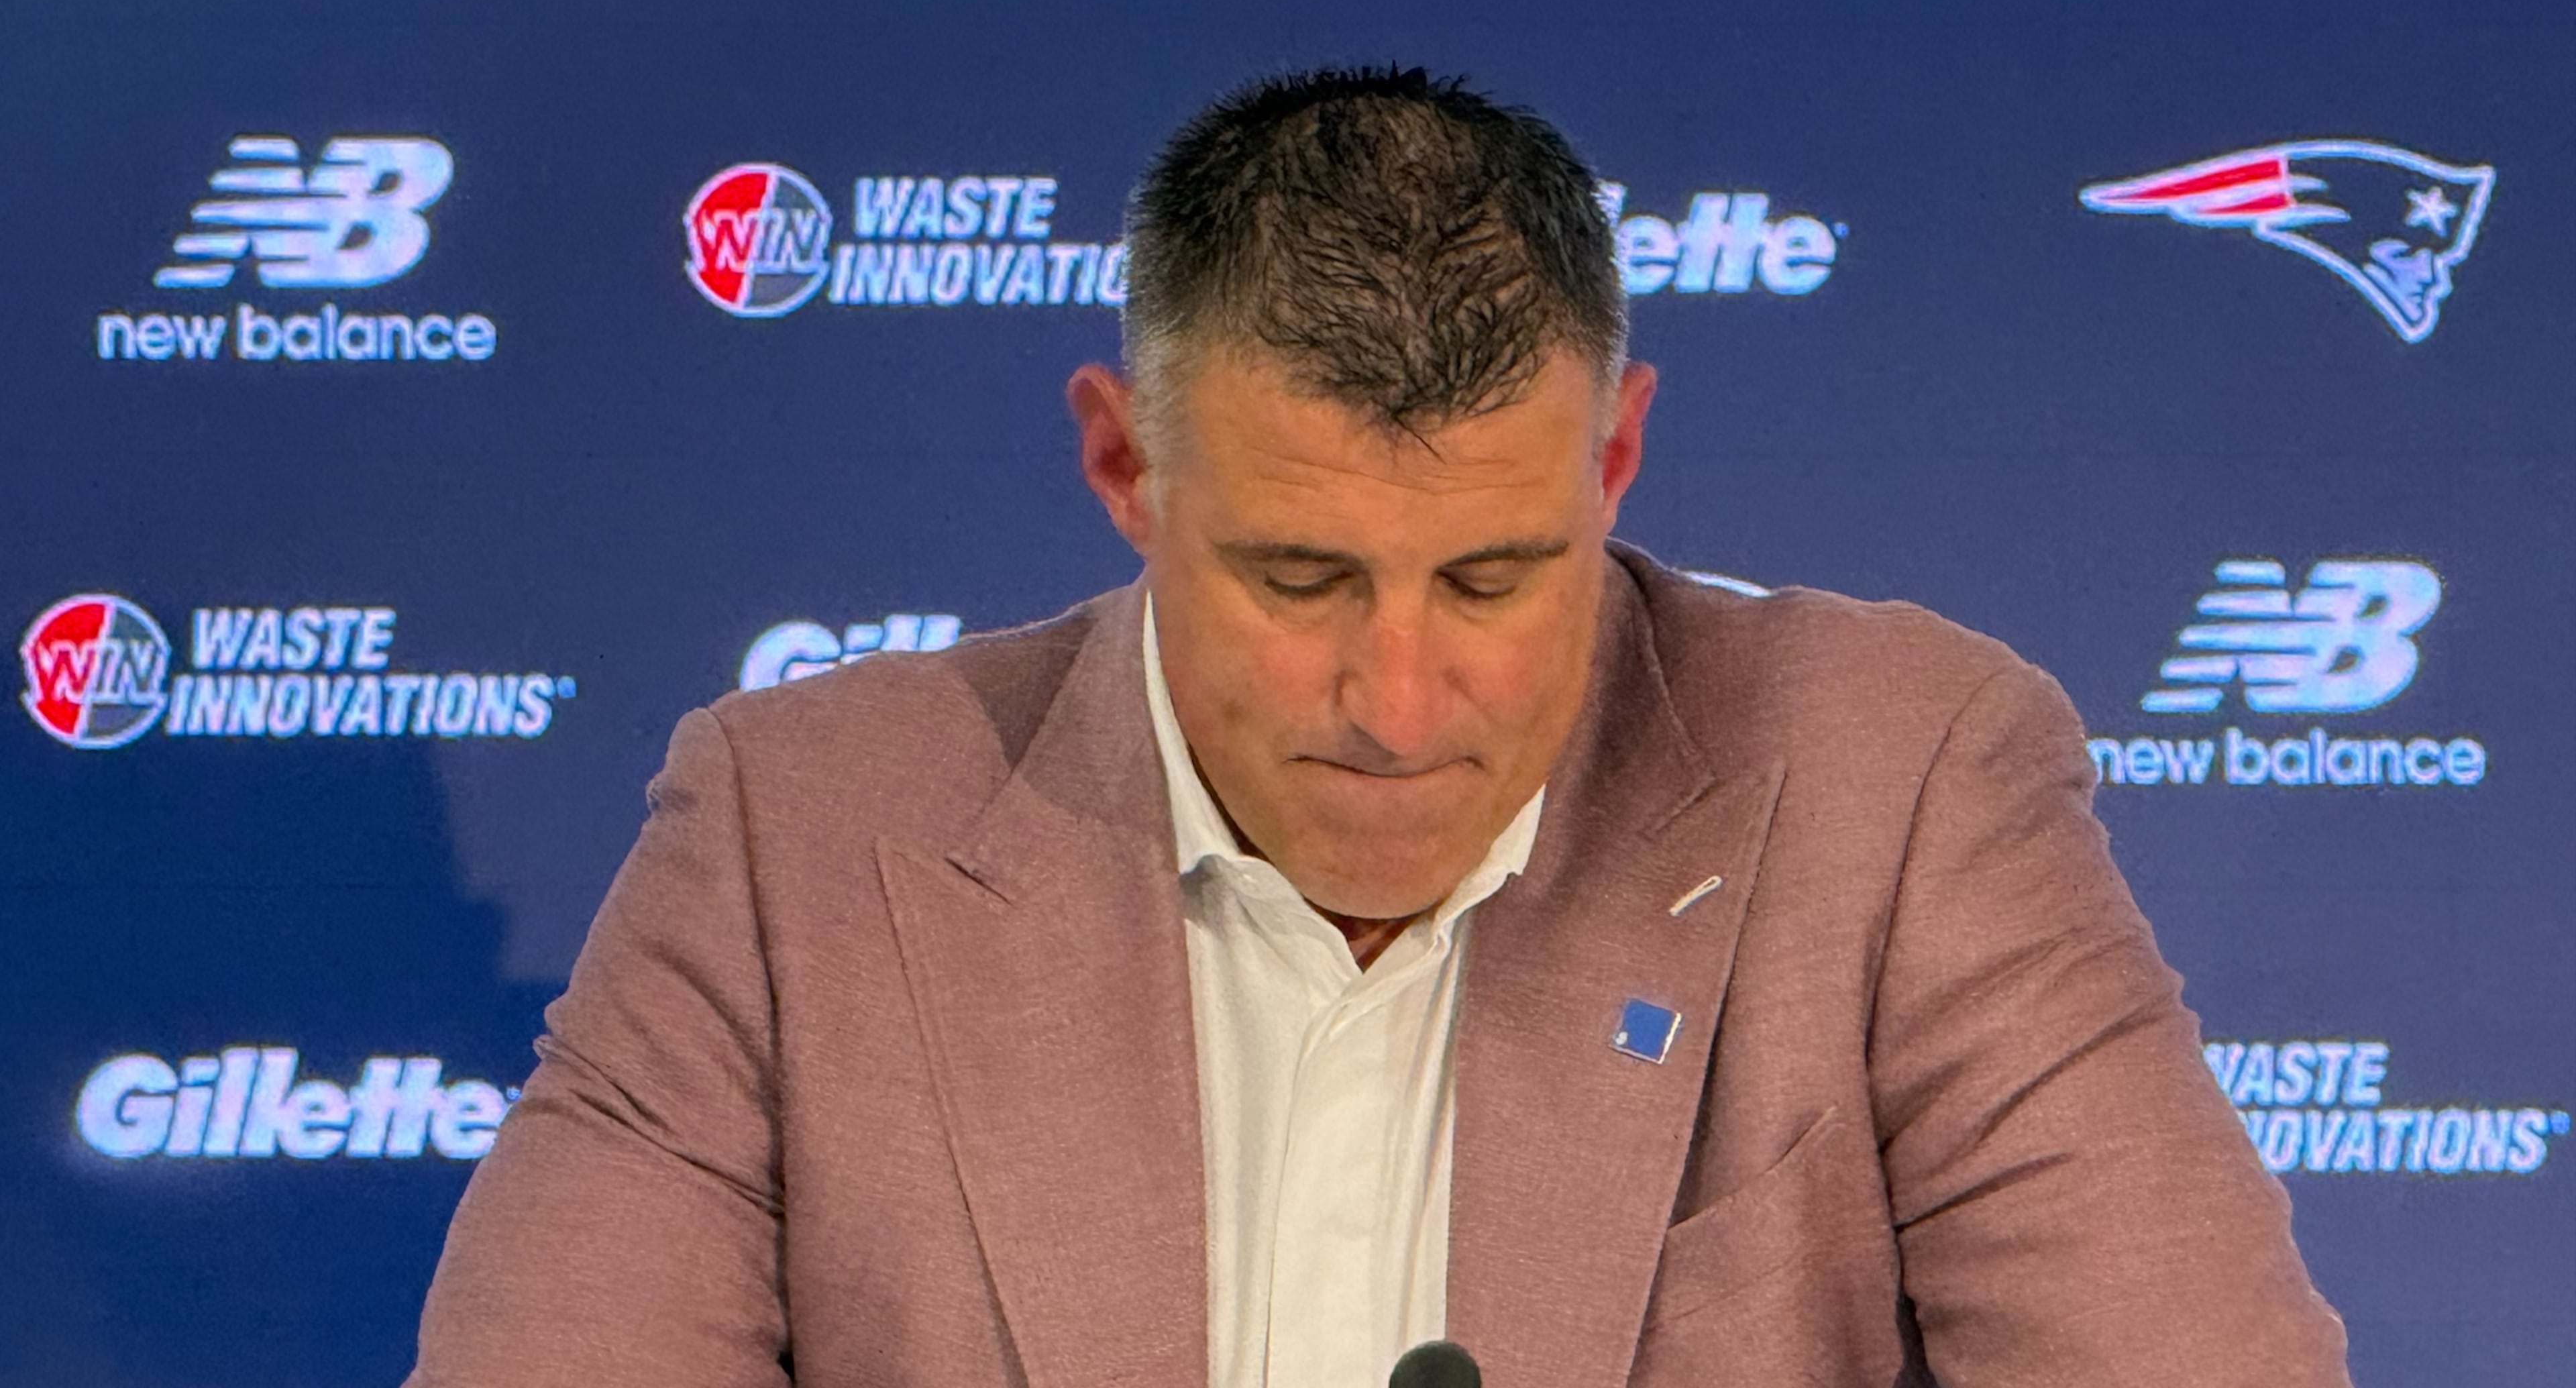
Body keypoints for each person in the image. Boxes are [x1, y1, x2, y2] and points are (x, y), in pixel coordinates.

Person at [409, 67, 2351, 1387]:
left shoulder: (1907, 786)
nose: (1400, 704)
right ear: (1122, 465)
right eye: (1301, 581)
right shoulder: (795, 835)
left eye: (1498, 579)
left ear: (1618, 457)